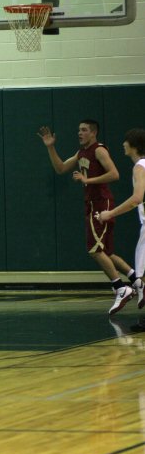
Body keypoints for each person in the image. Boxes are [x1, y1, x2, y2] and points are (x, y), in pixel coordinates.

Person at [38, 120, 141, 315]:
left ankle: (121, 287)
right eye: (78, 130)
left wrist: (88, 180)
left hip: (101, 203)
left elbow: (114, 174)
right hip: (92, 203)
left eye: (84, 130)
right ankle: (136, 281)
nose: (79, 133)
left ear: (93, 133)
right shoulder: (81, 153)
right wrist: (51, 147)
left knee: (94, 250)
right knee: (107, 252)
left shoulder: (99, 150)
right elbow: (60, 168)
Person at [97, 128, 145, 312]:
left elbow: (137, 198)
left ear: (133, 145)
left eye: (125, 141)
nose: (123, 144)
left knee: (142, 275)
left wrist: (109, 213)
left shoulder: (140, 166)